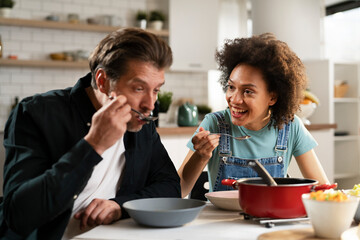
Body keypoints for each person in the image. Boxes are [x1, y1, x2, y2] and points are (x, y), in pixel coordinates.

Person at [0, 28, 181, 239]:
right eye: (138, 88)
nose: (150, 105)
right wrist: (93, 145)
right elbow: (18, 216)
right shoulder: (35, 113)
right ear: (103, 81)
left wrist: (119, 206)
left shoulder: (140, 120)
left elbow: (169, 186)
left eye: (156, 90)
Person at [178, 33, 330, 198]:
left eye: (248, 91)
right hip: (223, 221)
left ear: (272, 97)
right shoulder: (214, 124)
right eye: (231, 87)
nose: (234, 99)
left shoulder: (291, 127)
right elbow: (178, 190)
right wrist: (200, 157)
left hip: (271, 218)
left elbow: (323, 191)